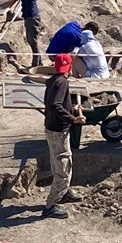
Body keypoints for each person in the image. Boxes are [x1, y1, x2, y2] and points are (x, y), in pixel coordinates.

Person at [41, 53, 85, 219]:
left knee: (57, 162)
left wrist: (73, 107)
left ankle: (64, 192)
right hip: (59, 131)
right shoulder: (63, 82)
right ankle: (50, 206)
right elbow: (56, 105)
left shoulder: (53, 80)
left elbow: (56, 104)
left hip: (52, 129)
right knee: (63, 170)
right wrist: (74, 118)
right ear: (69, 67)